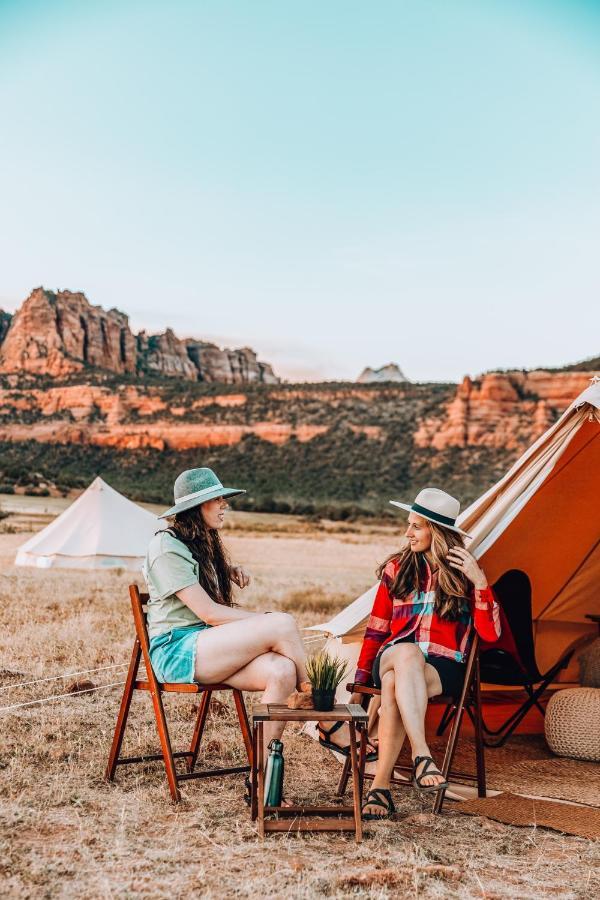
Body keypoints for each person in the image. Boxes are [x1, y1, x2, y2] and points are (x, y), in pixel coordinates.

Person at [143, 467, 309, 772]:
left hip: (210, 646)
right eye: (217, 499)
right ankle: (314, 698)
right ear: (196, 507)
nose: (225, 504)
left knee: (283, 670)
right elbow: (209, 613)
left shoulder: (202, 544)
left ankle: (260, 776)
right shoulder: (166, 547)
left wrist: (227, 570)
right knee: (281, 623)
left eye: (223, 498)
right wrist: (264, 622)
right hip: (177, 650)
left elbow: (200, 582)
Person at [349, 488, 501, 820]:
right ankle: (422, 753)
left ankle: (380, 789)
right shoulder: (396, 568)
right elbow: (376, 629)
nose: (407, 533)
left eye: (416, 526)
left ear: (437, 531)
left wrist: (480, 581)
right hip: (392, 656)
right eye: (409, 525)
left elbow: (491, 633)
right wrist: (360, 682)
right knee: (404, 654)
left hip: (442, 666)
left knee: (393, 684)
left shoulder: (465, 572)